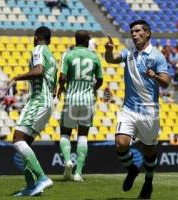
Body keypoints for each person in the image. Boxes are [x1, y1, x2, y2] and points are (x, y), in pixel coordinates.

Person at [105, 20, 170, 199]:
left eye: (137, 31)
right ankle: (132, 169)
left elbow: (166, 83)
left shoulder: (157, 56)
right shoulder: (128, 53)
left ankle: (148, 181)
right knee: (121, 143)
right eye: (132, 31)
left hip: (149, 111)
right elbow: (111, 59)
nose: (133, 34)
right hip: (129, 109)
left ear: (147, 33)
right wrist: (109, 50)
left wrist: (155, 76)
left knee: (148, 150)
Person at [7, 26, 57, 196]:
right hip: (47, 102)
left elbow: (39, 71)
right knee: (24, 144)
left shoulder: (38, 49)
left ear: (37, 37)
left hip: (38, 101)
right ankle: (30, 186)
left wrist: (16, 77)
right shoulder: (52, 57)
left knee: (17, 139)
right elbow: (54, 87)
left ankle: (42, 178)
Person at [57, 30, 103, 182]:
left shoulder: (68, 55)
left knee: (65, 133)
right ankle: (78, 173)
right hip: (88, 100)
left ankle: (68, 161)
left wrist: (62, 87)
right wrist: (92, 89)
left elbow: (62, 77)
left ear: (76, 40)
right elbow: (100, 80)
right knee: (83, 135)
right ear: (87, 41)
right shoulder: (94, 56)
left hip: (71, 99)